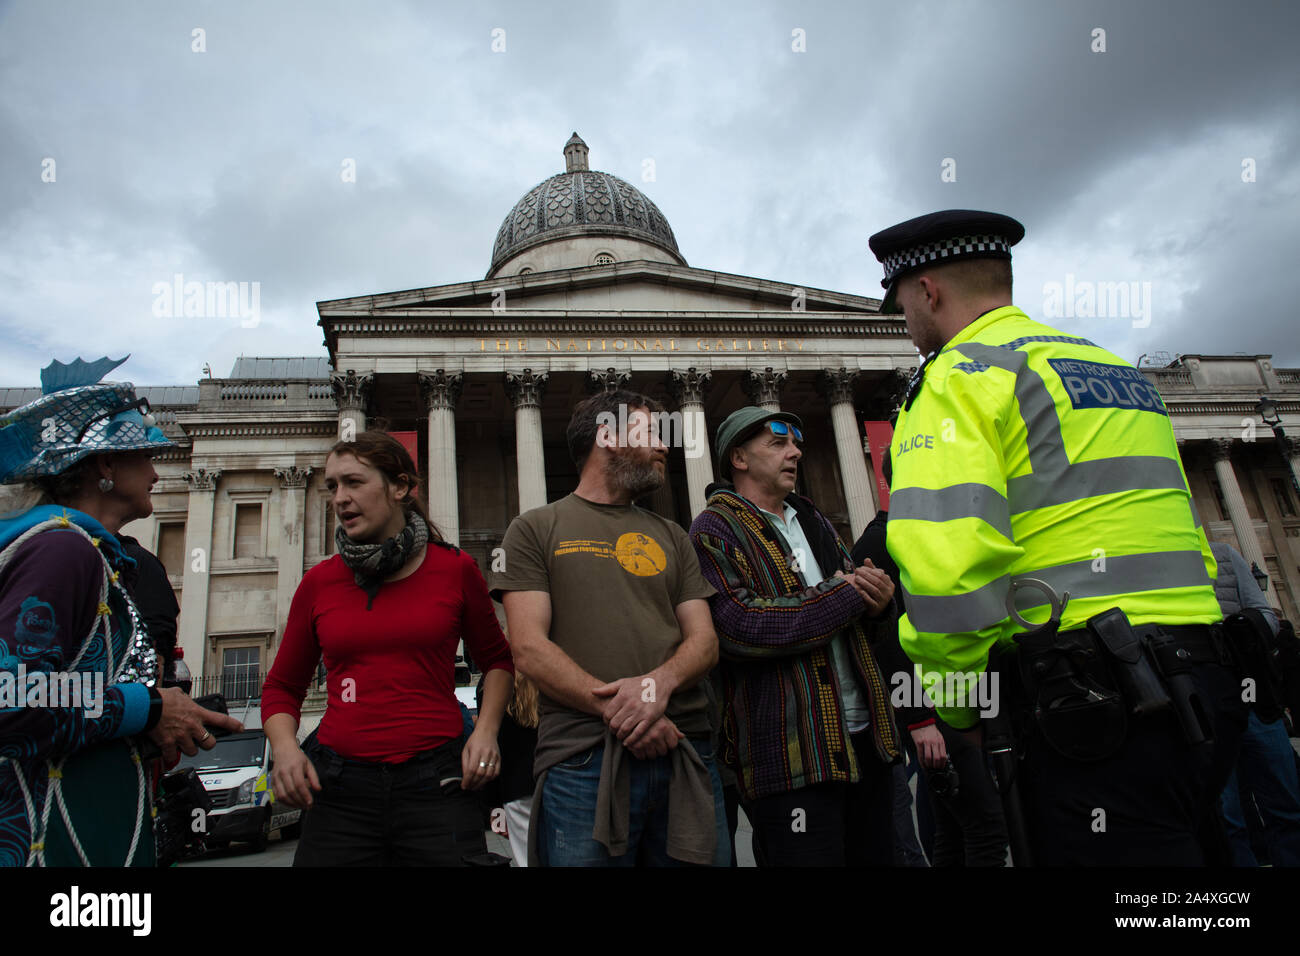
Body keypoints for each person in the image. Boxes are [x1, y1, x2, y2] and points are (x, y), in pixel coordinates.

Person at [870, 209, 1244, 865]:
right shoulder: (1114, 370)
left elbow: (948, 576)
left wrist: (962, 713)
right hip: (1205, 674)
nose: (902, 321)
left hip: (1087, 694)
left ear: (927, 289)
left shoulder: (959, 378)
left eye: (900, 302)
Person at [0, 356, 241, 866]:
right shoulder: (62, 550)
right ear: (105, 466)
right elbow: (11, 696)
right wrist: (149, 707)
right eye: (144, 456)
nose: (158, 471)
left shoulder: (88, 552)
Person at [492, 389, 727, 867]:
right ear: (607, 435)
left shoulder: (674, 535)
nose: (665, 445)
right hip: (583, 758)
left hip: (684, 748)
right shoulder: (535, 528)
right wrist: (631, 714)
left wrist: (655, 689)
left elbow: (703, 641)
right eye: (651, 432)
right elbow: (529, 649)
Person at [262, 430, 514, 866]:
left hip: (439, 780)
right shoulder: (319, 582)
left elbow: (496, 660)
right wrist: (285, 749)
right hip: (340, 788)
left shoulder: (455, 569)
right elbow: (283, 686)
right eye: (333, 486)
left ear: (400, 487)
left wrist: (487, 731)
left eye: (355, 482)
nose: (340, 498)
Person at [689, 406, 901, 866]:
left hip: (863, 739)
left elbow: (860, 610)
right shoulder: (714, 529)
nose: (796, 452)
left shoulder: (813, 520)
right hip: (789, 758)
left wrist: (880, 603)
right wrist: (845, 595)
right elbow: (741, 627)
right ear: (739, 458)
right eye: (778, 443)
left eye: (797, 442)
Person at [1209, 541, 1300, 866]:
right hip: (1208, 704)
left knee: (1285, 802)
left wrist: (1242, 630)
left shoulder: (1223, 555)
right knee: (1228, 817)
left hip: (1254, 697)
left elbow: (1265, 613)